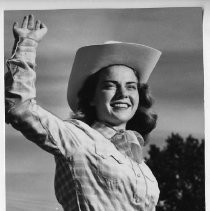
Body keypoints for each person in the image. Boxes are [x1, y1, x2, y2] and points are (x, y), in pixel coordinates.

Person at [5, 14, 162, 211]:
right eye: (110, 85)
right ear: (91, 97)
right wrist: (27, 45)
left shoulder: (142, 166)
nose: (123, 94)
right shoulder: (77, 138)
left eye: (131, 87)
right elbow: (20, 108)